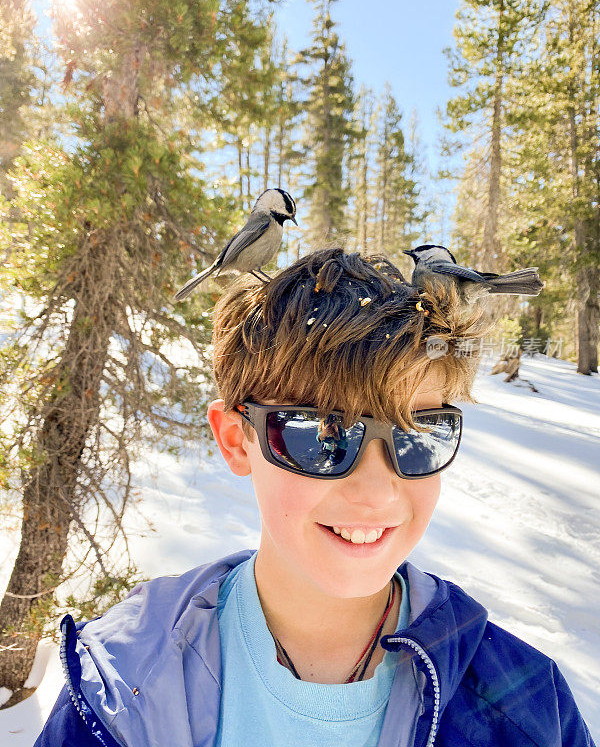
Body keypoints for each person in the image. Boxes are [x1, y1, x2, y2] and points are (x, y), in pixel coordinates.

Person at [34, 248, 595, 747]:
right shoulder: (124, 681)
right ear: (236, 439)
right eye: (319, 436)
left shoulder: (525, 706)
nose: (376, 492)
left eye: (420, 435)